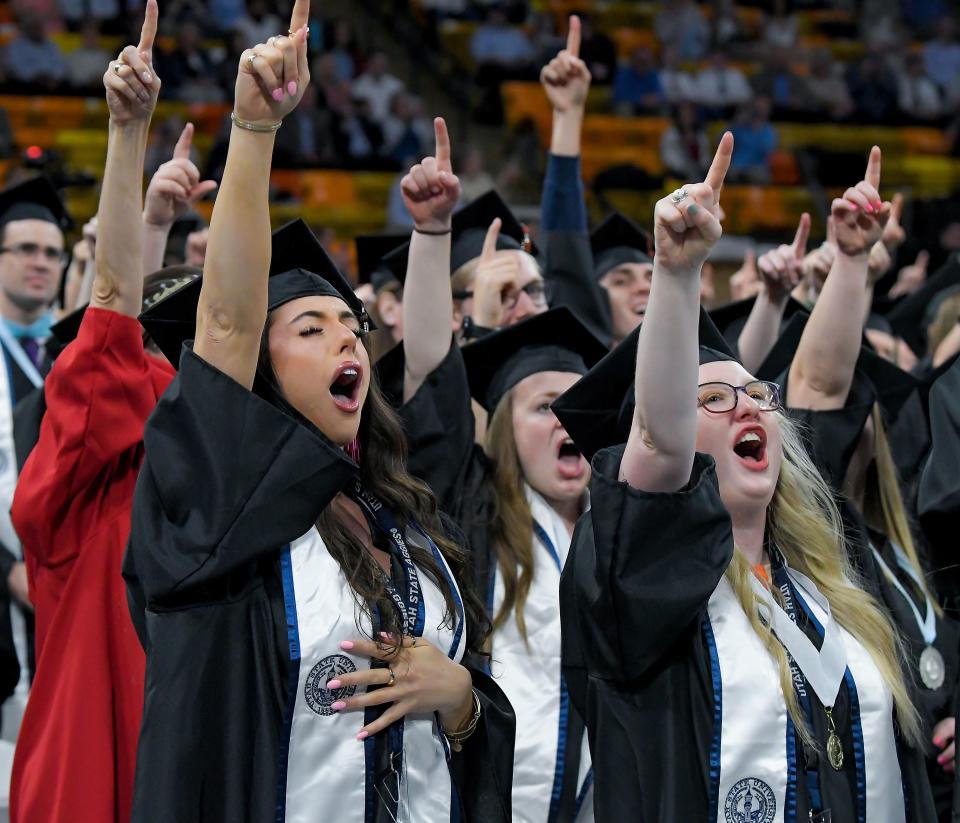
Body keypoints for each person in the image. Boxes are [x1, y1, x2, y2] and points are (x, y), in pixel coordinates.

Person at [126, 9, 513, 820]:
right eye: (311, 327)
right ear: (259, 373)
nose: (348, 340)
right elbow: (227, 326)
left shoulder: (399, 516)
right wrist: (255, 130)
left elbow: (460, 722)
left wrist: (463, 699)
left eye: (353, 326)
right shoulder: (222, 511)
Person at [552, 133, 937, 821]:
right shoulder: (644, 585)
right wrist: (675, 274)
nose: (747, 408)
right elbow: (656, 442)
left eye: (757, 394)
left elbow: (820, 381)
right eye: (712, 399)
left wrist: (851, 261)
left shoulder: (827, 582)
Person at [7, 8, 213, 819]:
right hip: (91, 781)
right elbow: (115, 329)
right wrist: (127, 139)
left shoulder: (214, 499)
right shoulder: (81, 508)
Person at [391, 116, 604, 821]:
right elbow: (429, 374)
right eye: (544, 405)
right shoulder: (474, 502)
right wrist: (432, 237)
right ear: (505, 427)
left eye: (578, 406)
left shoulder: (620, 522)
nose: (568, 419)